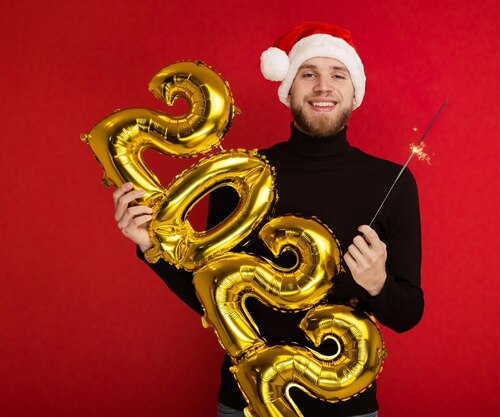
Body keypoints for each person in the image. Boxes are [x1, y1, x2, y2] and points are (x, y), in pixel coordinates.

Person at [113, 22, 424, 417]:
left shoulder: (392, 182)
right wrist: (149, 244)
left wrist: (378, 284)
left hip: (350, 406)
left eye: (337, 74)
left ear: (354, 91)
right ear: (289, 88)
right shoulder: (242, 178)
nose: (323, 87)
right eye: (309, 74)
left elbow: (409, 313)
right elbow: (210, 294)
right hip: (247, 401)